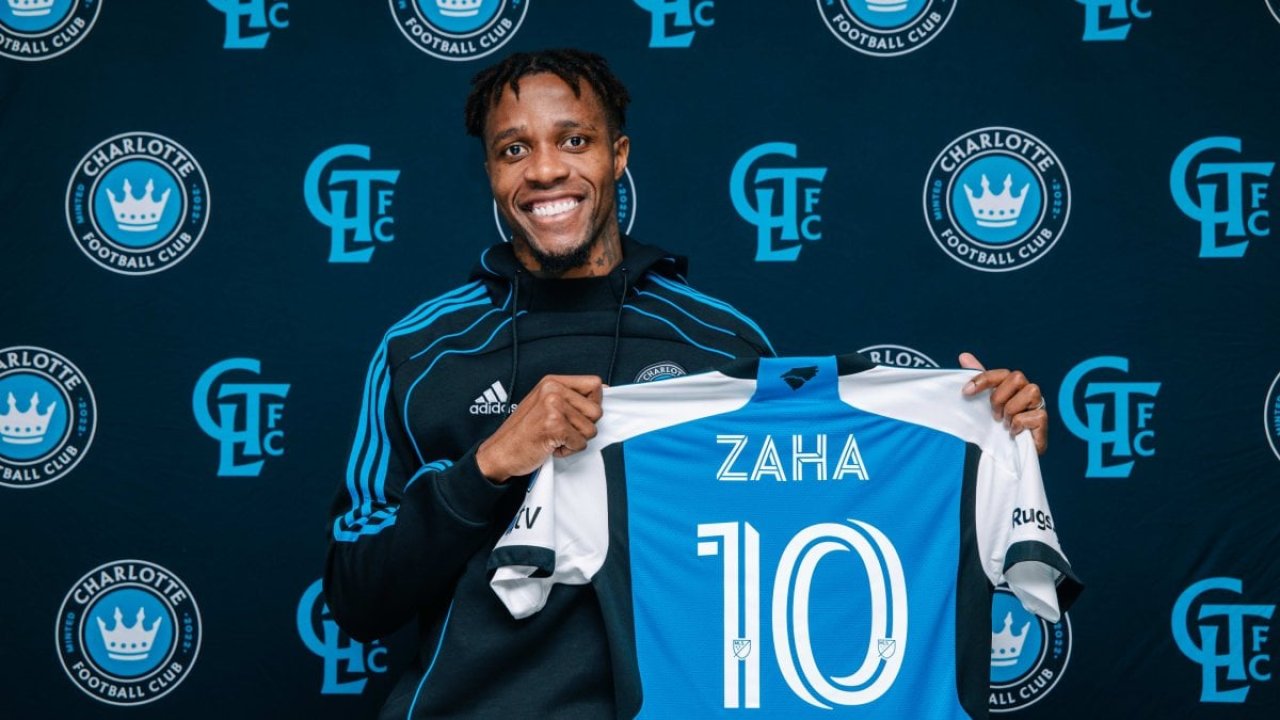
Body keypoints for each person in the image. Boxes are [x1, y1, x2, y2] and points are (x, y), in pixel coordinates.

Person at [324, 48, 1049, 718]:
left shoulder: (720, 346)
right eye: (515, 149)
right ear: (490, 170)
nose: (544, 171)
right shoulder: (422, 351)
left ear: (618, 155)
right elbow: (357, 596)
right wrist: (487, 466)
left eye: (574, 140)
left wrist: (980, 447)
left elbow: (815, 539)